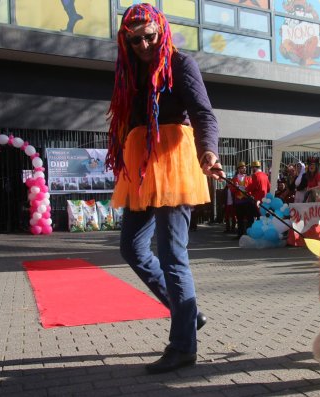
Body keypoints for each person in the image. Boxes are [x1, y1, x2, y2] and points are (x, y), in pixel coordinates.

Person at [106, 4, 225, 374]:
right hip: (141, 167)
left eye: (149, 37)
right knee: (131, 247)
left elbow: (203, 112)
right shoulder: (129, 71)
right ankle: (186, 313)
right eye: (135, 38)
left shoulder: (180, 63)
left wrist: (209, 150)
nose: (143, 45)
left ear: (163, 30)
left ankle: (183, 346)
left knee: (173, 254)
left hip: (173, 162)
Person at [231, 161, 253, 239]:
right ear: (238, 169)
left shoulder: (249, 178)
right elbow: (232, 190)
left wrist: (247, 190)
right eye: (242, 168)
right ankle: (240, 234)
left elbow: (251, 187)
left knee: (249, 218)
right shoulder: (234, 178)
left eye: (244, 168)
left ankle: (249, 233)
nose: (244, 169)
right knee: (240, 219)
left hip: (247, 200)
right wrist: (235, 188)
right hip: (238, 201)